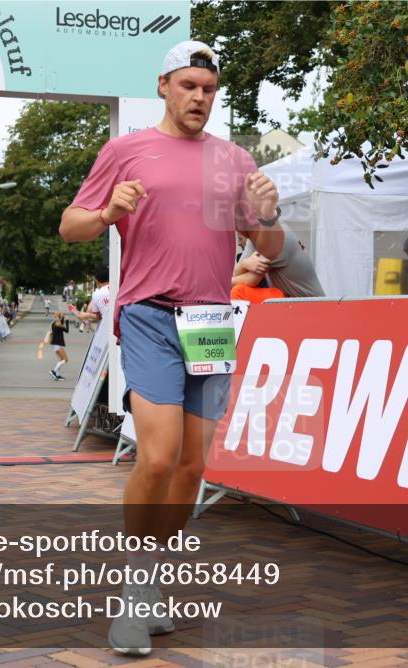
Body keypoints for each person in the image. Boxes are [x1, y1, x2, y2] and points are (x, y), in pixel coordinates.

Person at [59, 39, 283, 656]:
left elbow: (271, 241)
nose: (199, 99)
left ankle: (152, 583)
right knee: (157, 458)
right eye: (189, 87)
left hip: (210, 321)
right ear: (164, 86)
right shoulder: (126, 150)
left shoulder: (232, 160)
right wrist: (108, 211)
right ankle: (131, 600)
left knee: (193, 466)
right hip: (150, 315)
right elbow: (70, 225)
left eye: (208, 90)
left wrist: (266, 213)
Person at [230, 222, 325, 303]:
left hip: (310, 304)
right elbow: (234, 273)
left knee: (238, 292)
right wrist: (244, 264)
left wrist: (220, 285)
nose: (237, 228)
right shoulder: (255, 234)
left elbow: (250, 280)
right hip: (291, 300)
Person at [48, 311, 70, 380]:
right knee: (65, 360)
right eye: (62, 316)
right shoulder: (59, 325)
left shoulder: (53, 323)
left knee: (61, 359)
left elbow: (60, 325)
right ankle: (54, 371)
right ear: (60, 317)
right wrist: (67, 321)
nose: (63, 317)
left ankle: (58, 375)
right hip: (58, 344)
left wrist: (63, 319)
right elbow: (67, 330)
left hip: (55, 344)